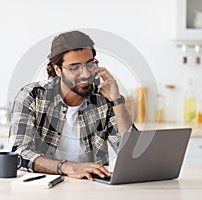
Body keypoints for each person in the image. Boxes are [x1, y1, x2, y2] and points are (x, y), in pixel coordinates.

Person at [9, 30, 137, 181]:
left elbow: (133, 155)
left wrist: (117, 101)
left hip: (92, 186)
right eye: (75, 67)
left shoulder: (103, 98)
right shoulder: (32, 96)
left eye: (90, 64)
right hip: (43, 187)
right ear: (58, 70)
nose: (85, 74)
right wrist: (66, 167)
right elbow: (20, 154)